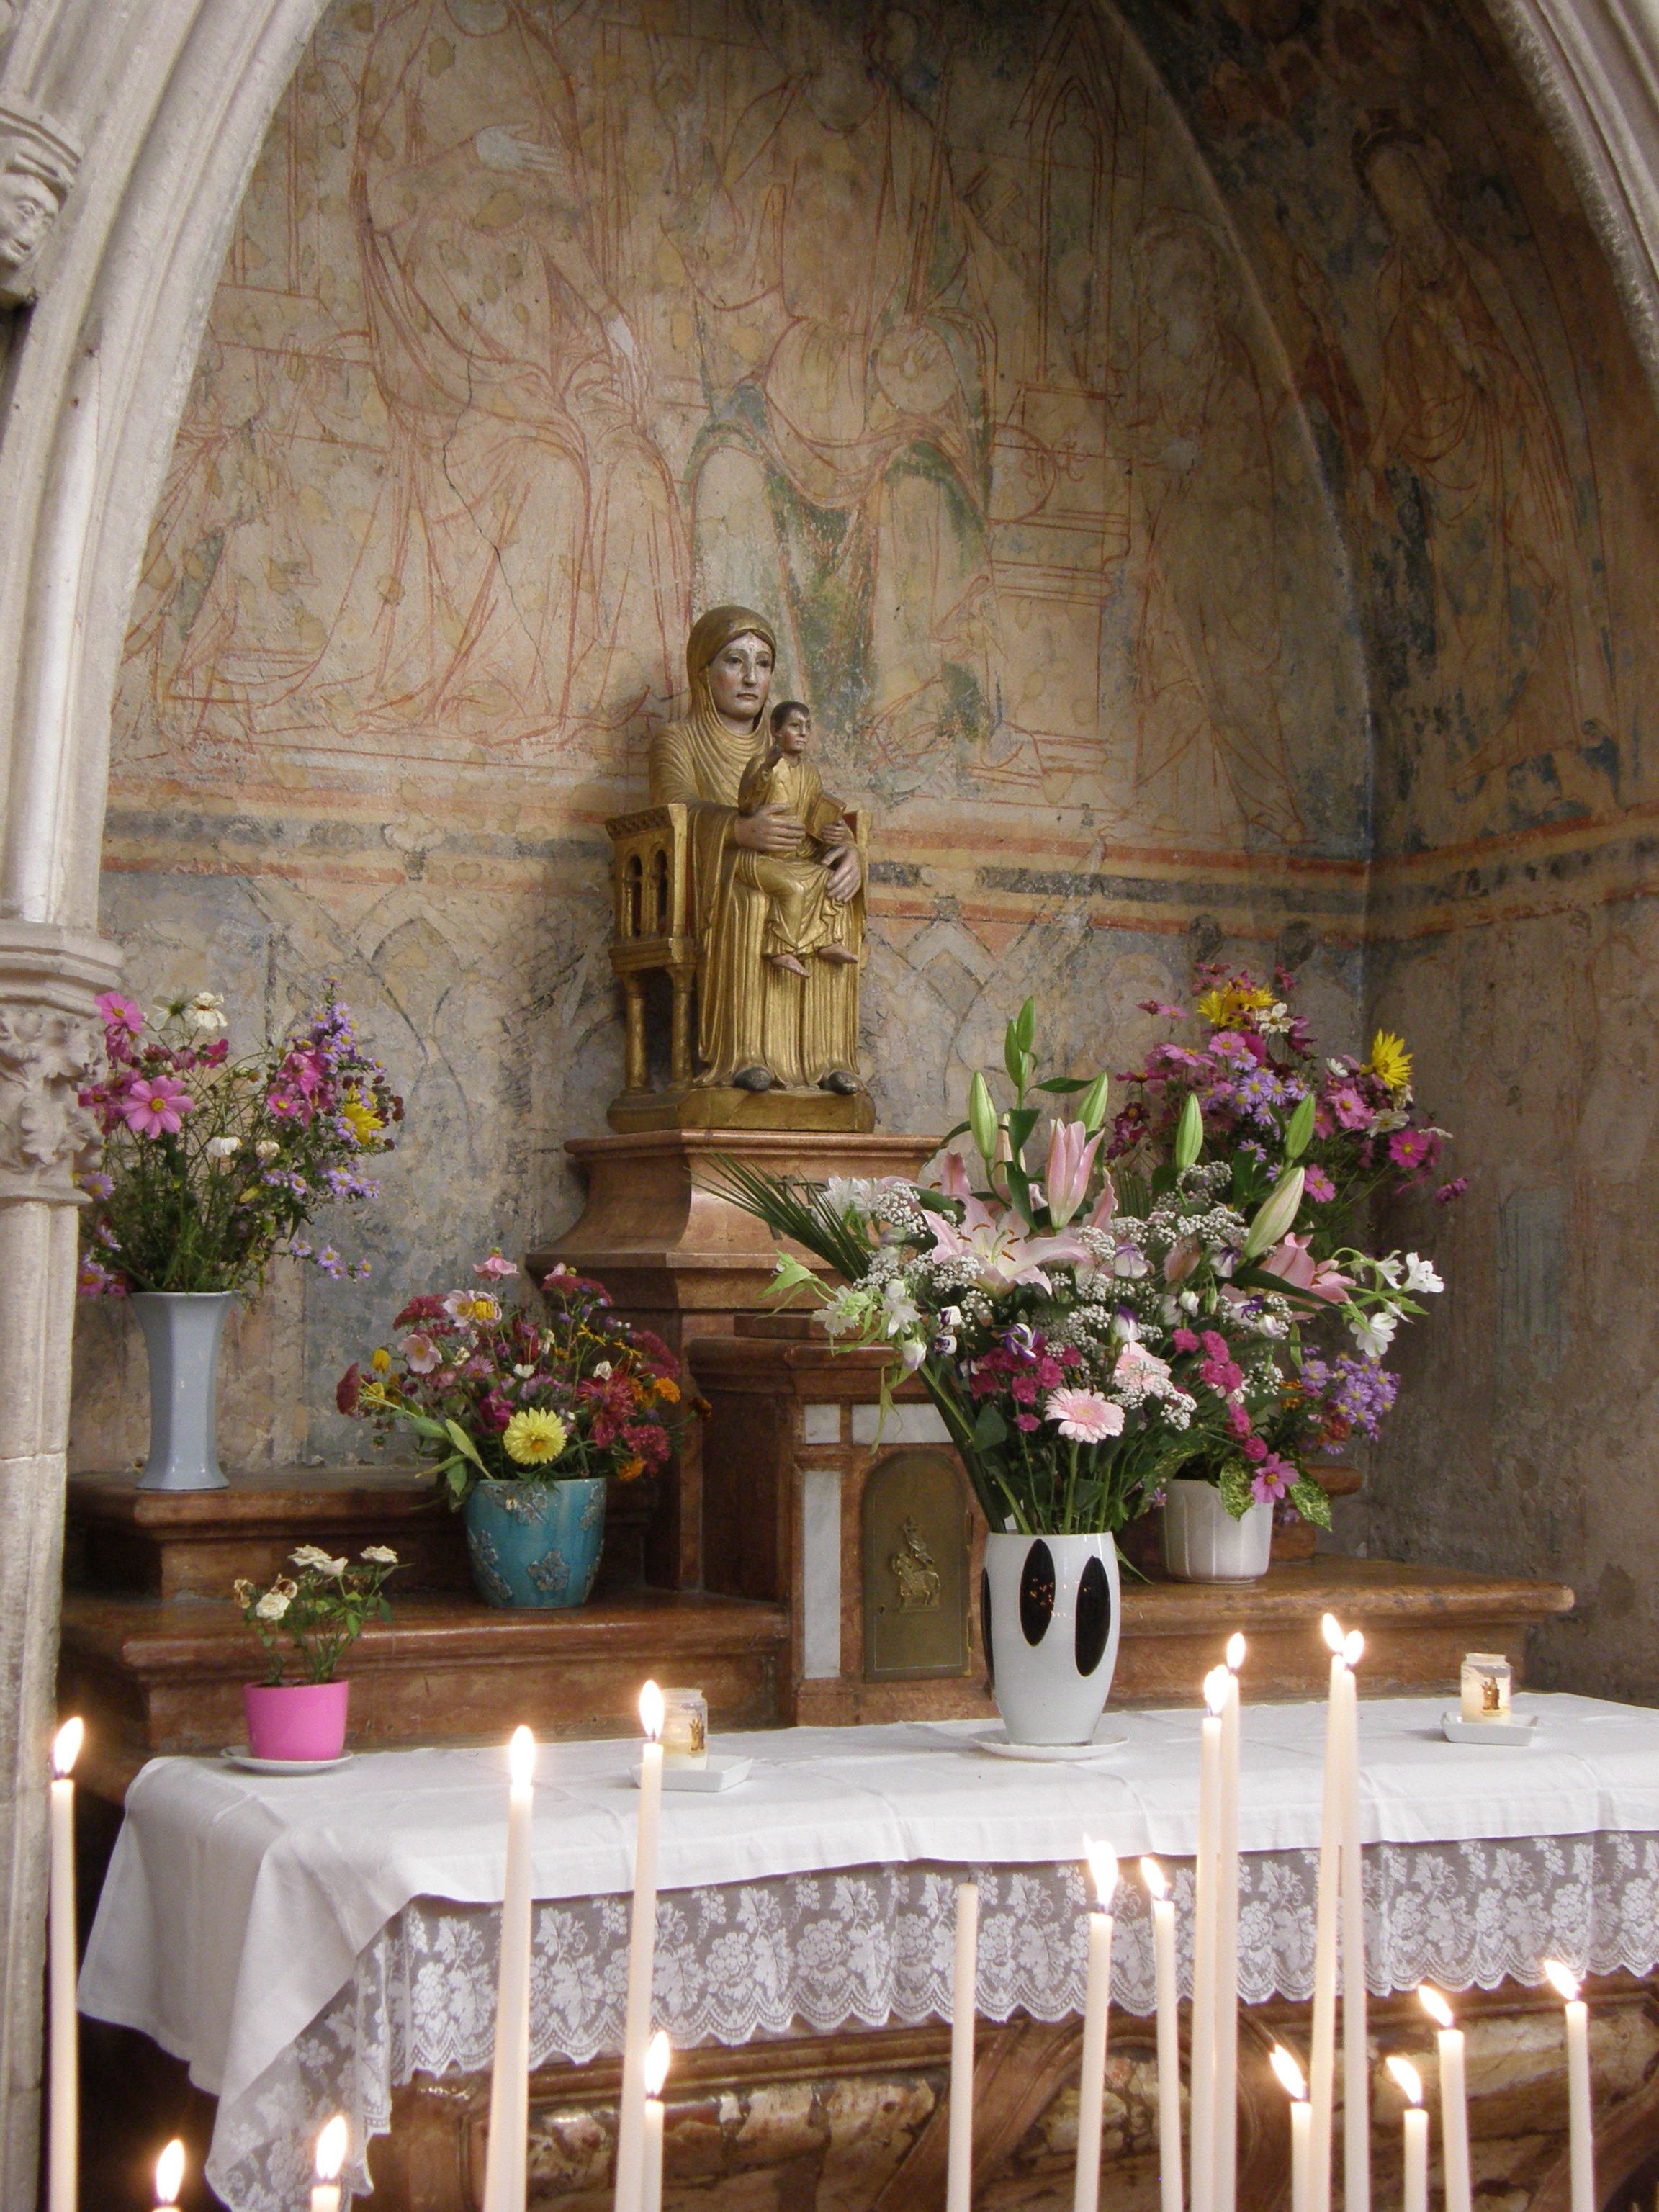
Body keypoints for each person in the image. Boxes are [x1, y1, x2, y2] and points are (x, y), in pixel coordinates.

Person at [647, 607, 863, 1094]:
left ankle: (827, 1060)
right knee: (750, 899)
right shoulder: (677, 741)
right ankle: (742, 1056)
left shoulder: (783, 751)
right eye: (734, 661)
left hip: (784, 865)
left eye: (762, 664)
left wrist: (849, 849)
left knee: (834, 893)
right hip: (715, 879)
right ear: (702, 672)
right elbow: (671, 811)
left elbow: (816, 811)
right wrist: (737, 829)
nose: (750, 677)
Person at [736, 702, 860, 979]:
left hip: (797, 855)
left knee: (827, 879)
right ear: (775, 730)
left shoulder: (811, 774)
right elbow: (745, 805)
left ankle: (826, 941)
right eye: (795, 726)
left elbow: (814, 819)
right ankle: (780, 948)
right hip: (761, 858)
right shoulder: (762, 765)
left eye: (808, 727)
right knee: (793, 888)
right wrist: (767, 766)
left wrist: (832, 833)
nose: (803, 733)